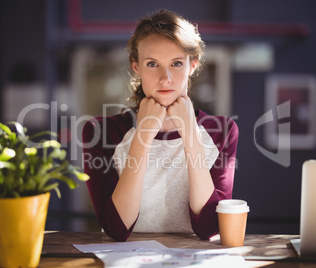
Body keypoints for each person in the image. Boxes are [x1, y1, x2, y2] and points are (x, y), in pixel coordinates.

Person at [82, 9, 239, 242]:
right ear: (136, 67)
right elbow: (116, 229)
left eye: (176, 63)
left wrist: (189, 133)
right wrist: (143, 134)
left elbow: (209, 227)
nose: (165, 77)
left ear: (192, 65)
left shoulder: (222, 132)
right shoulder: (100, 132)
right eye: (152, 64)